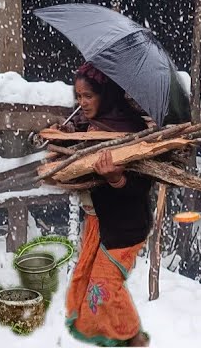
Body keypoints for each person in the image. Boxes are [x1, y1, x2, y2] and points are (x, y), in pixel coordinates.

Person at [55, 62, 153, 347]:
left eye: (88, 96)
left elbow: (142, 185)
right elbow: (79, 130)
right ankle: (114, 340)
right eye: (78, 97)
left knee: (104, 285)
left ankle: (134, 340)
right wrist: (65, 130)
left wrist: (117, 178)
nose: (82, 103)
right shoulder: (90, 125)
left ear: (105, 95)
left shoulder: (127, 130)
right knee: (87, 284)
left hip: (125, 226)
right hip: (97, 223)